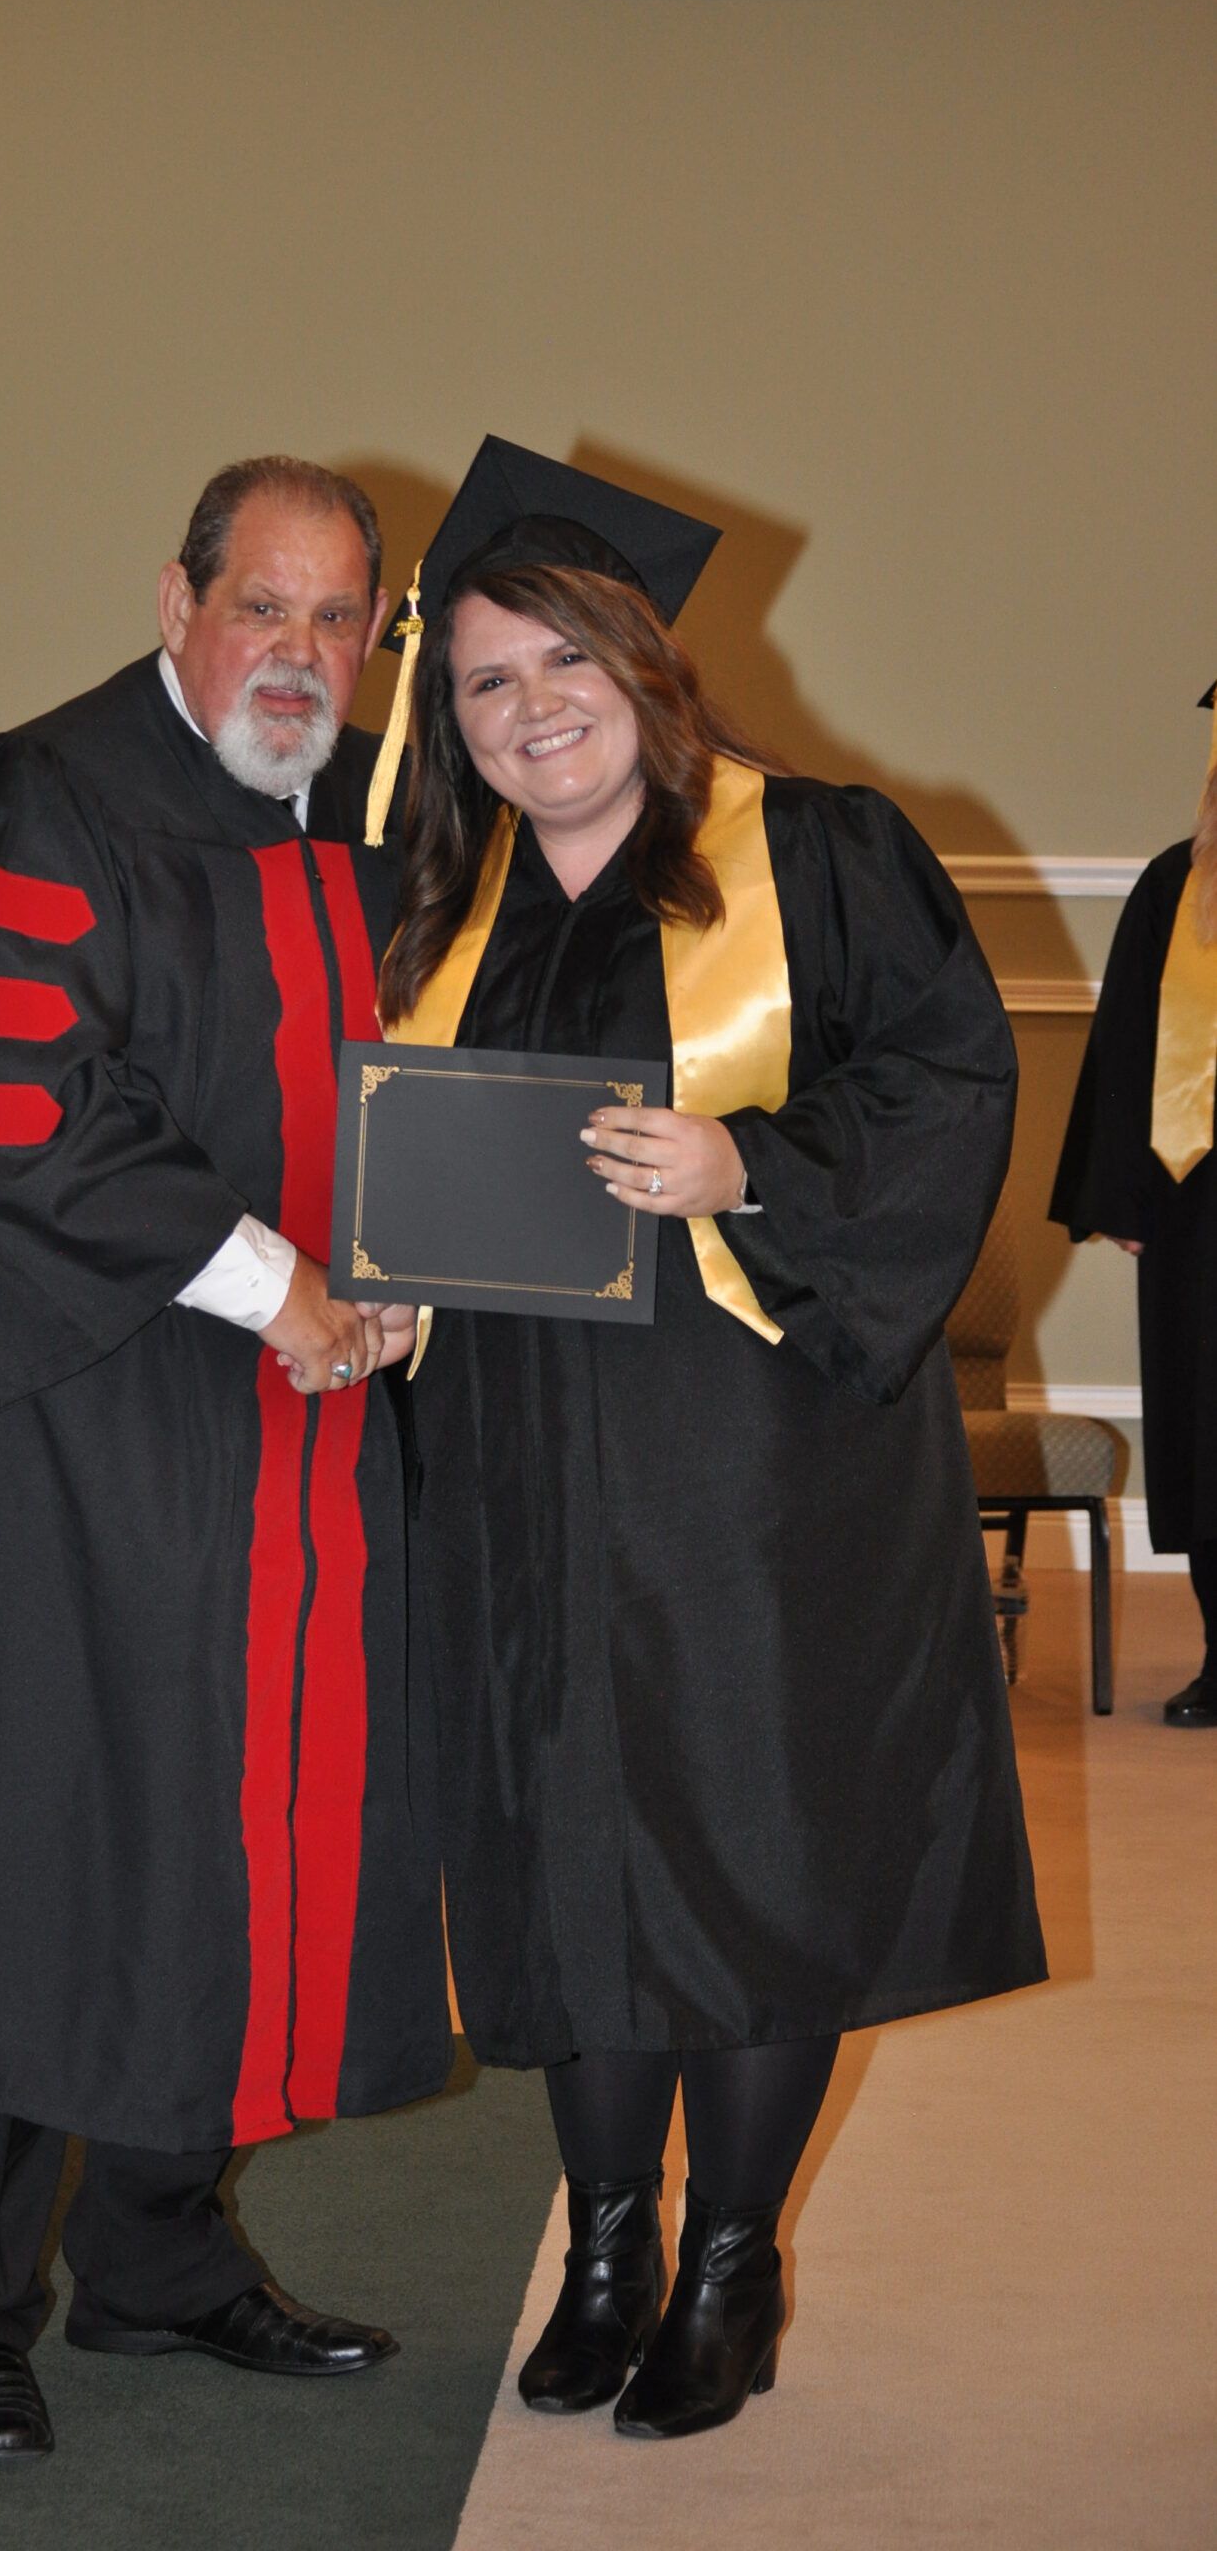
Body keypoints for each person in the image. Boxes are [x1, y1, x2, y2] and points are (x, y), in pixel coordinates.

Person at [375, 441, 1046, 2441]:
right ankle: (605, 2242)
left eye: (557, 660)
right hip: (510, 1448)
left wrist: (749, 1155)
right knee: (559, 1835)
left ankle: (730, 2260)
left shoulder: (820, 848)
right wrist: (387, 1270)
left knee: (751, 1843)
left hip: (760, 1459)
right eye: (483, 682)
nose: (525, 709)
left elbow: (944, 1080)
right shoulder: (440, 893)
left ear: (645, 665)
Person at [0, 457, 451, 2464]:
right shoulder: (27, 799)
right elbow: (1, 1116)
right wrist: (276, 1280)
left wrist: (416, 1266)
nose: (302, 652)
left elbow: (406, 1110)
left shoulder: (356, 826)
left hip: (282, 1442)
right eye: (264, 604)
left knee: (226, 1838)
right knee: (28, 1844)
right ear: (173, 596)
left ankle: (165, 2255)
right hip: (58, 1440)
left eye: (341, 618)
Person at [1050, 685, 1217, 1726]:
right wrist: (1118, 1188)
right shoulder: (1176, 884)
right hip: (1199, 1213)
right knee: (1207, 1429)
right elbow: (1123, 1042)